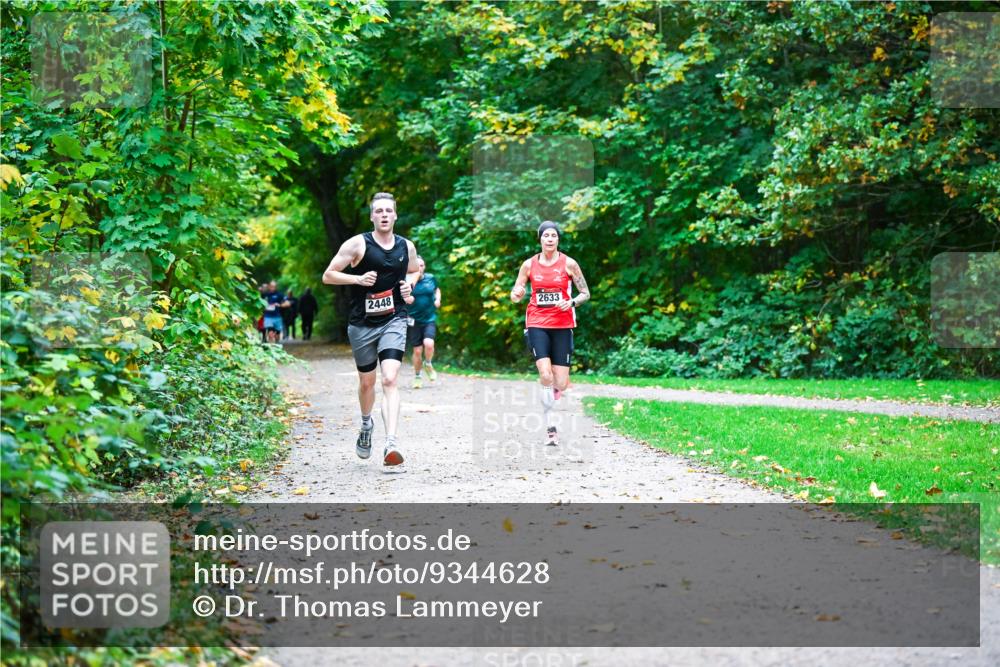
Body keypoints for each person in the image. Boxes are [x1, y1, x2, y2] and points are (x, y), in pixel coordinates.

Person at [322, 192, 418, 467]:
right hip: (362, 323)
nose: (385, 215)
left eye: (389, 210)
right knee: (367, 382)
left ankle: (391, 443)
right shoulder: (357, 244)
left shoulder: (406, 247)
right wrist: (357, 278)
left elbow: (413, 271)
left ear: (395, 215)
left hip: (394, 318)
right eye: (379, 211)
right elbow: (328, 275)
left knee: (390, 378)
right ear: (372, 216)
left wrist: (409, 284)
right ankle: (366, 426)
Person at [509, 221, 591, 446]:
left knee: (561, 382)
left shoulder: (569, 264)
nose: (550, 239)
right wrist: (516, 293)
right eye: (546, 235)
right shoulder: (529, 265)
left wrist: (572, 302)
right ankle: (551, 428)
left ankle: (556, 388)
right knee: (545, 374)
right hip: (537, 322)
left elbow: (585, 293)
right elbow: (516, 293)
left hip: (563, 325)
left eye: (554, 235)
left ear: (558, 239)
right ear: (540, 239)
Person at [406, 256, 441, 389]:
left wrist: (437, 299)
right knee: (417, 351)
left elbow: (437, 289)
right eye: (417, 266)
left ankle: (428, 364)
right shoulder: (407, 281)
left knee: (429, 343)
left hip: (429, 318)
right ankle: (417, 376)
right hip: (413, 320)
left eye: (421, 265)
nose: (419, 268)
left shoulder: (430, 278)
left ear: (424, 267)